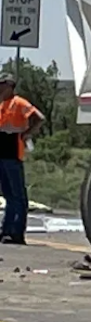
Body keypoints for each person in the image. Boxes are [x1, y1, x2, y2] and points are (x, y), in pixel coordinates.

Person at [0, 73, 43, 245]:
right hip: (2, 154)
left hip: (12, 154)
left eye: (2, 84)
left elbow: (38, 118)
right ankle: (6, 230)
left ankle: (16, 232)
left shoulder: (19, 103)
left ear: (10, 86)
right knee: (9, 196)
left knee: (17, 196)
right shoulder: (2, 104)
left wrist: (27, 134)